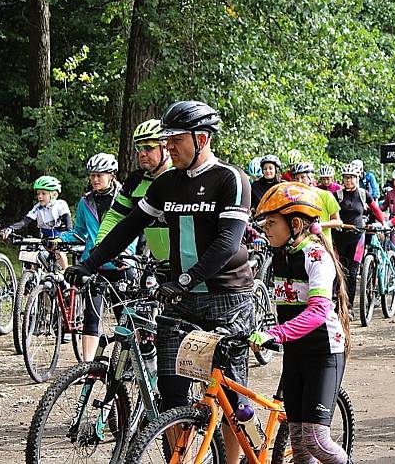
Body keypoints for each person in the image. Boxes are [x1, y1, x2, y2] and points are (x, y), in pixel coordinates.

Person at [64, 100, 254, 464]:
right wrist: (90, 264)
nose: (168, 148)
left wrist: (186, 279)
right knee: (171, 393)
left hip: (225, 296)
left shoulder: (230, 179)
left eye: (175, 140)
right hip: (180, 300)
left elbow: (227, 242)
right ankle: (177, 461)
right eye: (165, 141)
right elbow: (128, 227)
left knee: (232, 395)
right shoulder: (167, 183)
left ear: (201, 138)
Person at [249, 182, 351, 464]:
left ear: (294, 224)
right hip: (295, 353)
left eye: (271, 222)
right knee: (298, 442)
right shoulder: (280, 253)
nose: (265, 229)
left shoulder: (316, 256)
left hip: (323, 352)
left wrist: (276, 333)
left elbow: (318, 311)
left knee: (317, 440)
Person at [59, 153, 137, 361]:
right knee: (91, 318)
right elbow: (78, 232)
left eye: (99, 175)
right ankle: (88, 367)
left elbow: (135, 228)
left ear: (111, 175)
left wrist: (128, 252)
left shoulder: (125, 197)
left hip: (121, 265)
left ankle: (127, 364)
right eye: (92, 175)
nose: (94, 179)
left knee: (125, 319)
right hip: (95, 265)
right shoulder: (86, 202)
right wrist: (58, 240)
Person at [96, 119, 172, 260]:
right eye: (139, 148)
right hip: (156, 264)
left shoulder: (182, 176)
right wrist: (100, 244)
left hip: (188, 265)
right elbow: (116, 216)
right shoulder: (135, 180)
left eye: (149, 147)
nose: (142, 153)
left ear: (166, 147)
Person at [332, 163, 386, 317]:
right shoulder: (338, 195)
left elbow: (376, 209)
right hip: (340, 237)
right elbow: (331, 212)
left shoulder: (363, 194)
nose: (348, 180)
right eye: (346, 177)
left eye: (351, 177)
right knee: (340, 272)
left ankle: (349, 307)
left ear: (357, 178)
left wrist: (383, 223)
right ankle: (339, 303)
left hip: (358, 237)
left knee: (353, 273)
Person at [0, 176, 72, 268]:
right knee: (32, 252)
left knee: (59, 252)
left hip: (60, 236)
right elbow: (24, 222)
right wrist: (10, 229)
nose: (40, 197)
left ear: (54, 195)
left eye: (43, 193)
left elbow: (69, 224)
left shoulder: (60, 205)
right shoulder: (37, 207)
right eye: (38, 194)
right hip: (45, 236)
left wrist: (67, 235)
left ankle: (66, 275)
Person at [289, 162, 343, 242]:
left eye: (303, 177)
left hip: (322, 244)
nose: (299, 181)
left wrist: (320, 225)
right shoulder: (294, 198)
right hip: (301, 243)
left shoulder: (326, 195)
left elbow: (338, 222)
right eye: (297, 178)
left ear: (310, 178)